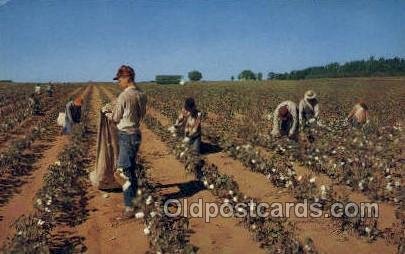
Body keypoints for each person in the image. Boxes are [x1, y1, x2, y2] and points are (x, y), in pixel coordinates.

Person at [104, 65, 147, 220]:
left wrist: (107, 113)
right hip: (136, 134)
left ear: (127, 78)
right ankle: (136, 201)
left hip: (126, 136)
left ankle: (130, 208)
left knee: (123, 172)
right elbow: (142, 115)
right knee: (130, 170)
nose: (118, 82)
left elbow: (115, 118)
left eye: (119, 79)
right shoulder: (141, 94)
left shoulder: (124, 96)